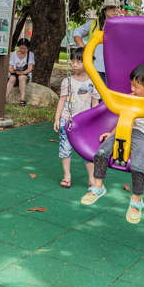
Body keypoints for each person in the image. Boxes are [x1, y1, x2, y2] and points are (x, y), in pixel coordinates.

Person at [81, 63, 144, 224]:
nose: (132, 88)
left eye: (136, 86)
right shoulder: (132, 97)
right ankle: (98, 186)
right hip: (126, 131)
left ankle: (136, 200)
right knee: (101, 152)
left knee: (138, 165)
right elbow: (124, 117)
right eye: (132, 84)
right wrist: (112, 133)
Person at [54, 48, 100, 189]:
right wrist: (57, 119)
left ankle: (92, 179)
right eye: (72, 61)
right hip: (67, 120)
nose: (74, 64)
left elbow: (95, 104)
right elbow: (62, 101)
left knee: (87, 151)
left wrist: (94, 123)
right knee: (65, 149)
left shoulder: (93, 81)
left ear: (88, 63)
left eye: (78, 62)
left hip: (85, 123)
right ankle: (67, 175)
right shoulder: (68, 81)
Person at [72, 0, 121, 86]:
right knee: (96, 97)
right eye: (111, 7)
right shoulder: (94, 24)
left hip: (115, 69)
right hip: (96, 68)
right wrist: (83, 48)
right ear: (104, 10)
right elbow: (77, 32)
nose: (115, 10)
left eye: (117, 7)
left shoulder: (122, 25)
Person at [6, 38, 35, 106]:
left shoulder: (30, 54)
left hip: (25, 75)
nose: (22, 50)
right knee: (12, 78)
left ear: (27, 47)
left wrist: (23, 72)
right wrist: (13, 70)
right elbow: (9, 68)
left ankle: (22, 99)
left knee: (21, 77)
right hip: (15, 74)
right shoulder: (14, 54)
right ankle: (4, 98)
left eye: (24, 48)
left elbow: (30, 68)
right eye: (21, 48)